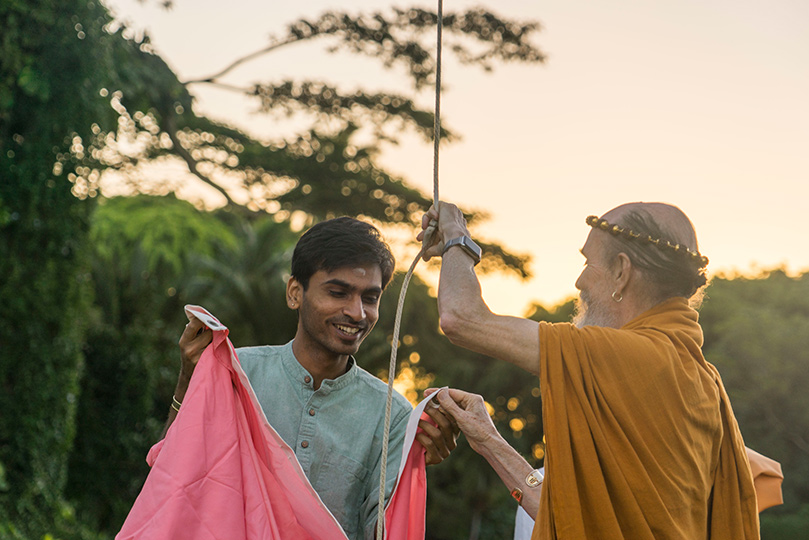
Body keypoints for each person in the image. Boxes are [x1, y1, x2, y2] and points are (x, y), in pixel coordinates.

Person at [419, 201, 760, 539]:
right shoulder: (704, 381)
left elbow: (462, 319)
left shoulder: (628, 355)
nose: (579, 281)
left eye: (587, 262)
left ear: (621, 272)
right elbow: (572, 519)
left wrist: (456, 237)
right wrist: (489, 440)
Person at [165, 216, 457, 540]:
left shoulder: (394, 416)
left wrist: (412, 470)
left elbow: (383, 531)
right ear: (295, 293)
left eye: (370, 298)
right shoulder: (238, 373)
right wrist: (188, 381)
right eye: (338, 292)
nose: (357, 313)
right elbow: (172, 476)